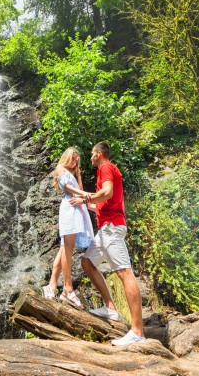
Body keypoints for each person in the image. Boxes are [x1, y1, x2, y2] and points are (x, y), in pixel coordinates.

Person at [69, 142, 146, 346]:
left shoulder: (106, 167)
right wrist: (84, 204)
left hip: (112, 228)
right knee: (87, 263)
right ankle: (111, 308)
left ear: (100, 153)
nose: (91, 157)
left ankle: (137, 332)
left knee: (124, 273)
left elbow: (108, 192)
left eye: (93, 154)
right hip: (105, 229)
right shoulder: (104, 171)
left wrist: (86, 200)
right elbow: (101, 203)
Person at [42, 147, 95, 309]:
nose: (74, 162)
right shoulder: (60, 168)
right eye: (73, 159)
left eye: (76, 160)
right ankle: (67, 288)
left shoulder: (71, 173)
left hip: (76, 209)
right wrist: (85, 193)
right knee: (67, 248)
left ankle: (51, 286)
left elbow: (77, 189)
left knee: (65, 247)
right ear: (67, 157)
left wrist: (78, 175)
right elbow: (68, 188)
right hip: (69, 209)